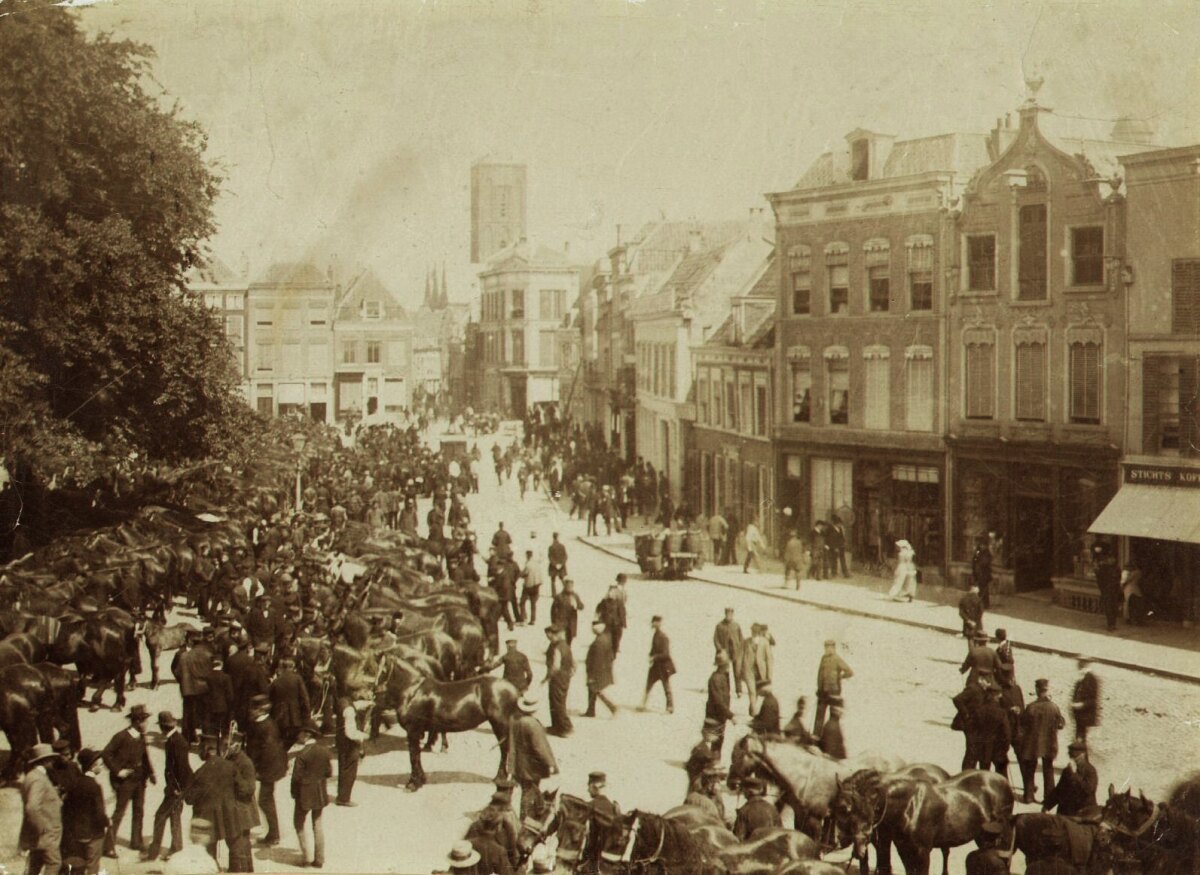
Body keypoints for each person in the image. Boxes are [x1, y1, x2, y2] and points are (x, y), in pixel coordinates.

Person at [184, 735, 246, 870]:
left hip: (208, 818)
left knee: (209, 854)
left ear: (205, 751)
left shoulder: (199, 773)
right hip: (230, 814)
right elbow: (243, 790)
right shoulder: (231, 767)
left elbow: (189, 799)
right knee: (235, 849)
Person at [102, 703, 155, 853]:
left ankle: (136, 842)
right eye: (145, 720)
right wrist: (118, 771)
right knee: (119, 812)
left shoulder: (141, 736)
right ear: (137, 721)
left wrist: (150, 773)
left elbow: (144, 756)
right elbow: (106, 754)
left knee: (139, 811)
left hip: (140, 780)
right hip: (125, 782)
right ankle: (108, 846)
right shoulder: (121, 736)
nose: (146, 723)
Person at [145, 711, 193, 862]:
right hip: (176, 787)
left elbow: (182, 768)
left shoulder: (175, 742)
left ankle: (154, 851)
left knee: (160, 816)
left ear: (162, 727)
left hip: (175, 789)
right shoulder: (176, 739)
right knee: (174, 817)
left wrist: (177, 788)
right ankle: (176, 848)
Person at [506, 694, 559, 820]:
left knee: (526, 791)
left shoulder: (515, 720)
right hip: (532, 766)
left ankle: (524, 816)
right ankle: (525, 818)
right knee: (530, 792)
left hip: (520, 764)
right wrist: (551, 763)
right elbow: (539, 748)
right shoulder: (532, 724)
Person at [245, 695, 288, 847]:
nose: (250, 711)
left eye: (253, 709)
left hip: (268, 769)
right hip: (268, 768)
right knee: (265, 800)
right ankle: (273, 833)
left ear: (260, 710)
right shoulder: (263, 723)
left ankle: (274, 834)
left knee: (265, 800)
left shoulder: (265, 726)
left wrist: (257, 769)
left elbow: (267, 752)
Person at [290, 719, 330, 869]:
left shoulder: (302, 754)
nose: (298, 736)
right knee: (317, 824)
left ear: (306, 735)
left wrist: (294, 793)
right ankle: (319, 859)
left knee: (299, 824)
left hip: (304, 794)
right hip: (319, 793)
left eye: (300, 733)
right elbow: (328, 772)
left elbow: (296, 778)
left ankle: (306, 859)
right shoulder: (324, 751)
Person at [1018, 679, 1065, 804]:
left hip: (1032, 743)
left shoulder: (1031, 707)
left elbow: (1022, 723)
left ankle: (1028, 796)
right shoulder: (1054, 707)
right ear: (1046, 690)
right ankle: (1049, 798)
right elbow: (1061, 724)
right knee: (1048, 769)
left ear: (1037, 690)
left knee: (1030, 769)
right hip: (1049, 743)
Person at [62, 748, 109, 874]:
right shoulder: (95, 786)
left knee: (78, 865)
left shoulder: (75, 783)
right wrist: (107, 822)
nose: (102, 767)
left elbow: (67, 809)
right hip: (94, 834)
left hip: (77, 833)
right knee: (92, 866)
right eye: (100, 764)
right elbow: (99, 813)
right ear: (93, 767)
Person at [20, 744, 63, 875]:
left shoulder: (33, 776)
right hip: (45, 833)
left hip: (35, 833)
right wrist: (45, 828)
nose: (53, 761)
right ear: (44, 761)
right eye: (50, 759)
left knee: (36, 862)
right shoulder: (38, 779)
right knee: (54, 863)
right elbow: (32, 807)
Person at [224, 731, 260, 872]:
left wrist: (234, 777)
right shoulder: (230, 759)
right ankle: (247, 870)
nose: (226, 747)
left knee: (236, 844)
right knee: (241, 844)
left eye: (230, 744)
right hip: (236, 809)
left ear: (238, 745)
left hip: (242, 810)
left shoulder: (245, 763)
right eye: (225, 744)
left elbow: (249, 789)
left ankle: (237, 871)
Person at [1043, 741, 1099, 817]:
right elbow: (1059, 790)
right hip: (1066, 812)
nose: (1072, 759)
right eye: (1071, 756)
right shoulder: (1067, 770)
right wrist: (1047, 805)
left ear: (1083, 755)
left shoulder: (1090, 770)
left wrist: (1074, 775)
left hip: (1082, 813)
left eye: (1075, 757)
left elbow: (1088, 790)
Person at [270, 655, 312, 751]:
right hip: (295, 717)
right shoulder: (297, 679)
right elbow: (305, 698)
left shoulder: (276, 682)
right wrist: (307, 715)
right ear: (292, 667)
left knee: (282, 741)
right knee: (293, 741)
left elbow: (271, 699)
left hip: (280, 717)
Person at [813, 639, 853, 735]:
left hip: (834, 692)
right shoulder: (823, 658)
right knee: (819, 715)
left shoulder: (837, 659)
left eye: (829, 647)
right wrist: (819, 687)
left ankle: (830, 739)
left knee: (833, 717)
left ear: (833, 648)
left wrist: (840, 677)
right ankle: (816, 736)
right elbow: (820, 674)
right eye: (826, 647)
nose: (827, 649)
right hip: (823, 692)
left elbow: (849, 672)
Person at [335, 696, 368, 806]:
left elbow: (355, 705)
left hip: (341, 742)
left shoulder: (342, 701)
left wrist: (368, 703)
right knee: (349, 771)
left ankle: (341, 795)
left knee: (343, 768)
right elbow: (351, 733)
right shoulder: (349, 711)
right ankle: (344, 799)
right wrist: (365, 736)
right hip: (349, 744)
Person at [543, 625, 575, 737]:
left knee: (557, 703)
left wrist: (547, 678)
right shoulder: (565, 645)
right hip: (564, 677)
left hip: (557, 678)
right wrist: (569, 674)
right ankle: (556, 726)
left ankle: (566, 728)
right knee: (556, 701)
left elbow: (555, 666)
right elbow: (573, 664)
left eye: (550, 635)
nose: (549, 638)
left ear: (554, 634)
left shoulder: (556, 647)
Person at [584, 620, 619, 718]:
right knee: (593, 691)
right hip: (603, 671)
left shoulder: (598, 642)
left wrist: (592, 676)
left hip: (597, 673)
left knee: (596, 691)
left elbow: (596, 661)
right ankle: (590, 711)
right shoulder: (606, 638)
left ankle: (612, 707)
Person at [642, 615, 676, 713]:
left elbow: (666, 654)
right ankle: (643, 705)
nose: (653, 624)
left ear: (659, 623)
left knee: (666, 687)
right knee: (648, 685)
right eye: (653, 622)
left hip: (664, 666)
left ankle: (670, 708)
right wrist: (650, 654)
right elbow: (654, 648)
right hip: (656, 666)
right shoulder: (656, 635)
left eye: (655, 622)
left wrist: (654, 657)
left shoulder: (663, 637)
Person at [705, 651, 735, 755]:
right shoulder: (716, 679)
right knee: (715, 741)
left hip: (720, 716)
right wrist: (730, 715)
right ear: (723, 665)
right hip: (715, 716)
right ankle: (712, 763)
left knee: (718, 741)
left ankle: (713, 762)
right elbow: (718, 701)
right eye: (727, 664)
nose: (729, 666)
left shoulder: (723, 677)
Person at [713, 609, 745, 697]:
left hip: (735, 652)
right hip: (725, 652)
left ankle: (739, 690)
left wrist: (740, 649)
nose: (729, 616)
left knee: (737, 671)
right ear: (725, 614)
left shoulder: (736, 626)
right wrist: (720, 649)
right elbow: (716, 639)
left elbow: (741, 638)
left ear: (733, 614)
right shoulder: (719, 626)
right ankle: (726, 689)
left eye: (731, 614)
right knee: (725, 671)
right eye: (727, 614)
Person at [1070, 659, 1101, 744]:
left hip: (1086, 715)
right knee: (1079, 739)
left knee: (1080, 740)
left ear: (1085, 664)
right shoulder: (1082, 676)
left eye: (1081, 662)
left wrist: (1081, 704)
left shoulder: (1092, 679)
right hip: (1079, 715)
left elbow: (1093, 700)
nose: (1078, 664)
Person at [1093, 541, 1121, 631]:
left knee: (1114, 607)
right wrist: (1103, 589)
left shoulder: (1116, 568)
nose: (1112, 560)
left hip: (1115, 589)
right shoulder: (1103, 569)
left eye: (1113, 559)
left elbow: (1119, 578)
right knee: (1109, 607)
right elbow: (1099, 579)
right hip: (1107, 590)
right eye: (1110, 558)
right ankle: (1110, 624)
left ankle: (1113, 623)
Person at [595, 584, 627, 655]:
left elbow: (622, 613)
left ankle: (613, 655)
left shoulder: (619, 602)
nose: (611, 593)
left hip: (617, 625)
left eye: (613, 591)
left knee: (616, 641)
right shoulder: (604, 601)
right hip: (607, 625)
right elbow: (598, 610)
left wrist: (623, 623)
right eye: (610, 591)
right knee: (607, 641)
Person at [550, 579, 584, 646]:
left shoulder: (575, 596)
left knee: (569, 639)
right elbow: (553, 610)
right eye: (568, 585)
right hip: (561, 621)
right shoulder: (559, 596)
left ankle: (567, 652)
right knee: (559, 639)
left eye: (571, 585)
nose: (570, 587)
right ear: (565, 586)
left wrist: (576, 605)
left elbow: (582, 606)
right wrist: (554, 621)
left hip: (571, 622)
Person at [520, 550, 544, 625]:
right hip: (536, 586)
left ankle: (524, 617)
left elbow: (523, 574)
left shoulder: (528, 565)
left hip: (528, 586)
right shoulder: (536, 564)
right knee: (533, 604)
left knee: (522, 602)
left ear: (527, 556)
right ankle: (533, 620)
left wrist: (520, 574)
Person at [971, 537, 994, 610]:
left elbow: (985, 563)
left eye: (983, 545)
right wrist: (975, 562)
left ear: (985, 545)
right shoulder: (978, 551)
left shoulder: (987, 553)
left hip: (984, 574)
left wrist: (978, 563)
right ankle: (980, 603)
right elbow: (974, 559)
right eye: (980, 545)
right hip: (978, 573)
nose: (981, 546)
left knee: (984, 589)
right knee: (980, 588)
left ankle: (985, 604)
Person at [548, 533, 568, 598]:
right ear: (558, 537)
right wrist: (561, 564)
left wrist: (555, 564)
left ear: (553, 538)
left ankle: (553, 594)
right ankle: (567, 591)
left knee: (553, 580)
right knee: (562, 579)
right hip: (561, 566)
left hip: (553, 566)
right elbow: (565, 556)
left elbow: (550, 557)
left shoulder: (551, 547)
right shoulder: (562, 546)